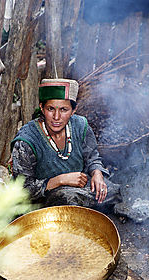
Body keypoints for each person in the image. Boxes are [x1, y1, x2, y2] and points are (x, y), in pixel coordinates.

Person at [11, 78, 121, 209]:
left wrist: (97, 173)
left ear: (73, 111)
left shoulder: (80, 125)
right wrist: (59, 180)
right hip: (43, 200)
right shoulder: (26, 141)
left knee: (112, 191)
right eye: (50, 109)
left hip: (78, 188)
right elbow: (22, 190)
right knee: (68, 199)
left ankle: (83, 208)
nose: (56, 117)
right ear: (42, 108)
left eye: (64, 110)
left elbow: (92, 157)